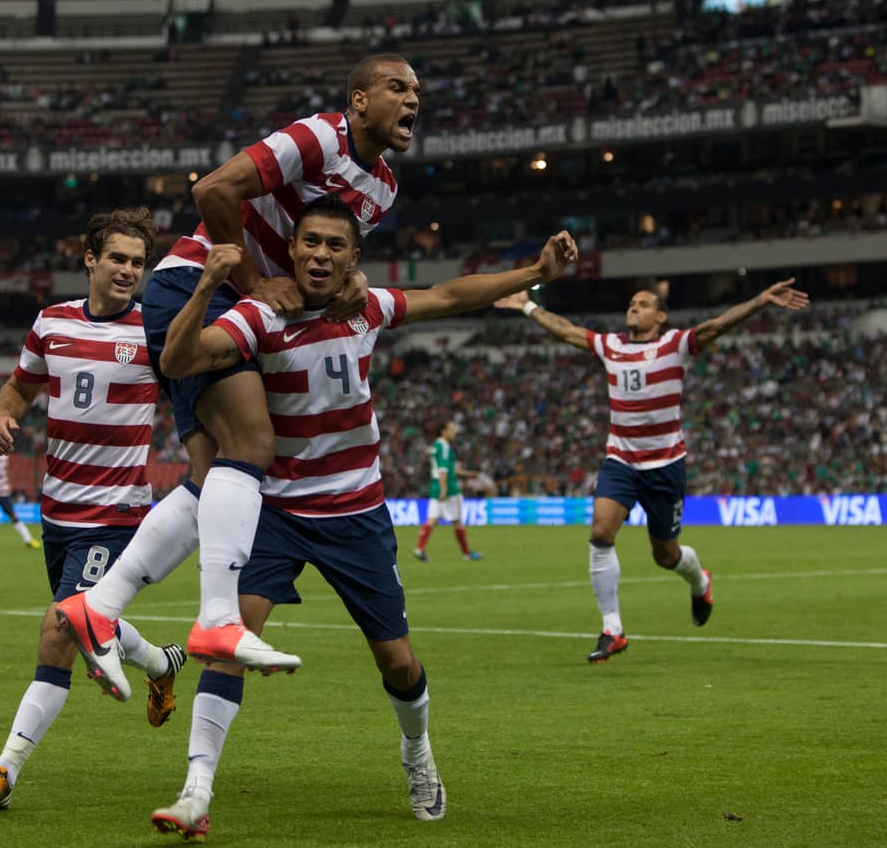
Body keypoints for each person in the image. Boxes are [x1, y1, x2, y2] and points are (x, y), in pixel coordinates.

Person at [138, 196, 577, 838]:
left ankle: (417, 754)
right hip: (276, 512)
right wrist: (208, 284)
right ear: (290, 249)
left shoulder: (366, 307)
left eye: (334, 246)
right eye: (309, 242)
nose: (320, 254)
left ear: (353, 257)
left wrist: (535, 271)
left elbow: (452, 296)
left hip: (354, 510)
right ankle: (195, 792)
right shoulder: (260, 314)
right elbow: (176, 363)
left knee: (397, 662)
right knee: (226, 646)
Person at [72, 53, 422, 674]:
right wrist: (256, 281)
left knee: (215, 476)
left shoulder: (384, 187)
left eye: (417, 90)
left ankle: (101, 606)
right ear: (361, 101)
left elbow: (324, 244)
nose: (413, 99)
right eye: (398, 87)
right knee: (256, 444)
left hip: (231, 298)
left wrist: (353, 275)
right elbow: (212, 189)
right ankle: (214, 623)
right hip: (196, 284)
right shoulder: (317, 138)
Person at [0, 208, 187, 811]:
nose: (128, 271)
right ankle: (161, 664)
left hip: (115, 516)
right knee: (89, 630)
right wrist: (4, 414)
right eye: (117, 258)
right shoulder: (52, 322)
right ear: (90, 259)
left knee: (61, 629)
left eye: (138, 263)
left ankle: (4, 771)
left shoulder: (154, 331)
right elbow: (21, 385)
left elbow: (196, 393)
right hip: (57, 510)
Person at [495, 278, 810, 663]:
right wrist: (528, 307)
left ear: (660, 317)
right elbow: (568, 331)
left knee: (665, 554)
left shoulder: (674, 345)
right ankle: (613, 629)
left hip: (666, 466)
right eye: (631, 303)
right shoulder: (611, 347)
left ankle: (700, 581)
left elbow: (717, 325)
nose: (634, 308)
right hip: (621, 461)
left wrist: (760, 300)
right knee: (600, 532)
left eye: (643, 304)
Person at [412, 420, 482, 562]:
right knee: (457, 521)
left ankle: (419, 549)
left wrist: (469, 474)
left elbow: (450, 469)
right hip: (448, 489)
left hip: (435, 487)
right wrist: (444, 489)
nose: (455, 431)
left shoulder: (436, 445)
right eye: (452, 428)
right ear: (443, 431)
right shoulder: (444, 446)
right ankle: (467, 554)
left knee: (432, 520)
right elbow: (443, 471)